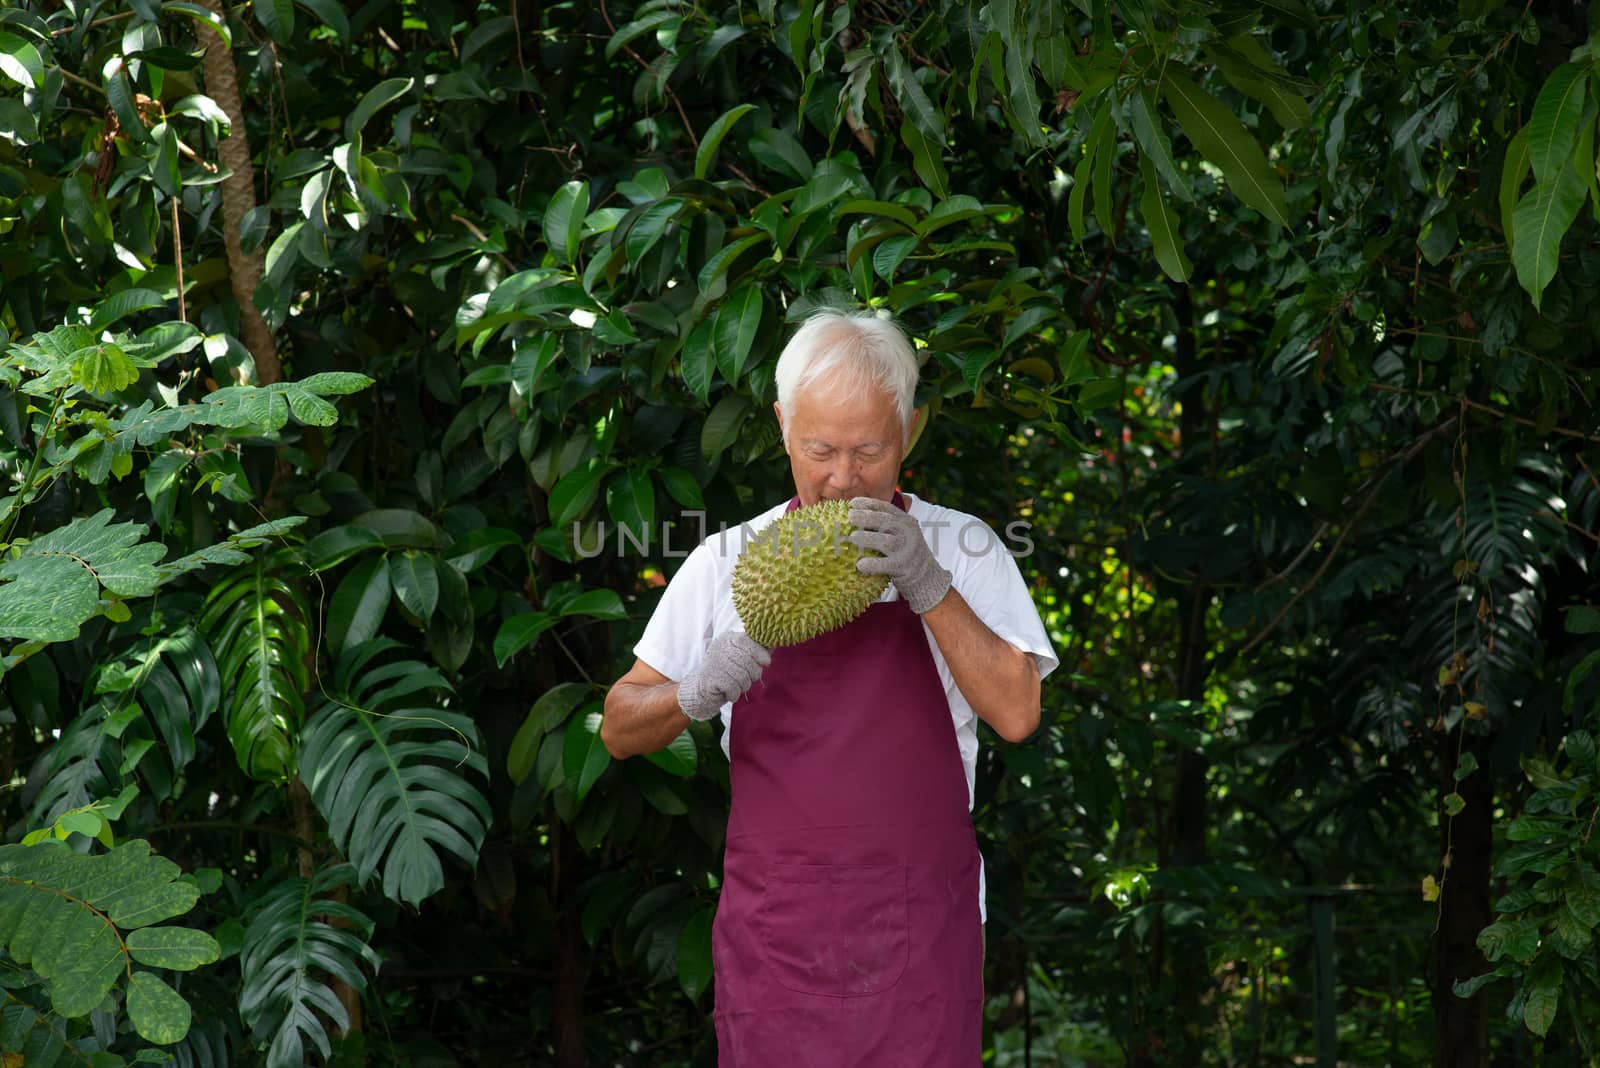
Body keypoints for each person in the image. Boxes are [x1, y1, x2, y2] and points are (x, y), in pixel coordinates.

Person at [600, 308, 1058, 1066]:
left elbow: (1017, 713)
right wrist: (696, 690)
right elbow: (619, 726)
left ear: (909, 431)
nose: (842, 478)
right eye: (819, 450)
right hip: (777, 942)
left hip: (921, 940)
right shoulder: (727, 563)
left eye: (869, 451)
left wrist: (929, 584)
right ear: (782, 427)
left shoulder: (966, 548)